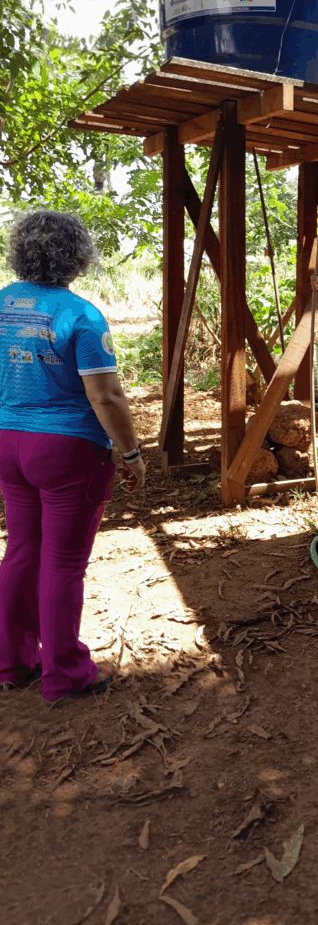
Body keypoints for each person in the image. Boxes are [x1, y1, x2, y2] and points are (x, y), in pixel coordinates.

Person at [0, 211, 146, 702]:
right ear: (77, 256)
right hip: (66, 450)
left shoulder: (2, 304)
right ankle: (64, 673)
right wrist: (131, 452)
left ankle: (11, 661)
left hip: (7, 442)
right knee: (62, 563)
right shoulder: (81, 315)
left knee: (21, 548)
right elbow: (106, 398)